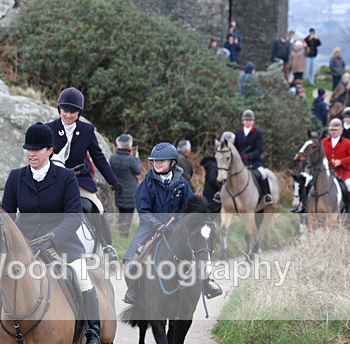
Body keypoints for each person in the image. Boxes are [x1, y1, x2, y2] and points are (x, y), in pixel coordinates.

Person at [1, 122, 103, 344]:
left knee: (82, 277)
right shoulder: (16, 177)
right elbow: (5, 215)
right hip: (24, 244)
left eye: (36, 150)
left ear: (50, 151)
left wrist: (53, 238)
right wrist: (15, 239)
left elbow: (74, 217)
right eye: (28, 149)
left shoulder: (66, 177)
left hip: (62, 242)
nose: (31, 154)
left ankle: (92, 333)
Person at [122, 143, 221, 304]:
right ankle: (134, 289)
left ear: (172, 163)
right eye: (155, 161)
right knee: (131, 259)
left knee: (198, 249)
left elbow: (189, 207)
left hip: (177, 226)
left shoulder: (182, 184)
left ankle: (206, 282)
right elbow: (143, 211)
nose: (157, 163)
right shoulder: (146, 184)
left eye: (162, 160)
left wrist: (181, 222)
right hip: (150, 227)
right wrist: (157, 225)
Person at [46, 87, 123, 263]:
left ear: (79, 112)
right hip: (55, 179)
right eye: (65, 111)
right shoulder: (49, 129)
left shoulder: (87, 130)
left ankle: (107, 247)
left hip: (80, 180)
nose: (68, 115)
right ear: (60, 109)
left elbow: (98, 157)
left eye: (73, 112)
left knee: (98, 208)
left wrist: (113, 180)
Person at [323, 118, 350, 219]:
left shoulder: (347, 143)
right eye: (332, 130)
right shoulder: (324, 142)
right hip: (327, 172)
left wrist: (341, 161)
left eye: (336, 130)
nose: (333, 132)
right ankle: (305, 205)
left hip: (343, 172)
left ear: (341, 131)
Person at [233, 109, 272, 204]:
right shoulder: (238, 132)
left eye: (250, 120)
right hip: (241, 161)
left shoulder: (258, 133)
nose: (248, 122)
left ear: (253, 121)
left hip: (255, 161)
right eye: (246, 120)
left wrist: (249, 156)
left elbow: (259, 149)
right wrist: (239, 156)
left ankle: (267, 195)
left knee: (263, 174)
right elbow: (235, 147)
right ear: (243, 121)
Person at [109, 134, 141, 237]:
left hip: (119, 189)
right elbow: (138, 171)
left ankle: (120, 231)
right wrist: (136, 157)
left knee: (121, 212)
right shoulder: (131, 159)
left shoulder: (112, 157)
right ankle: (124, 234)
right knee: (129, 213)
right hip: (130, 191)